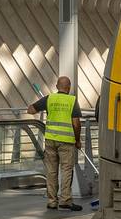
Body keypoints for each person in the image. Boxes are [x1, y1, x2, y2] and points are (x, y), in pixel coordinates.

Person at [27, 76, 83, 211]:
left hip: (50, 140)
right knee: (66, 171)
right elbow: (76, 123)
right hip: (66, 142)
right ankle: (65, 200)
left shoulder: (49, 98)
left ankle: (52, 201)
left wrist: (43, 106)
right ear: (68, 88)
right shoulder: (72, 100)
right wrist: (77, 140)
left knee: (51, 171)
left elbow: (31, 110)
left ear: (57, 86)